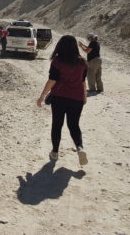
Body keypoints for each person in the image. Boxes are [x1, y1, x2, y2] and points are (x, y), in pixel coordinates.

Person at [37, 35, 88, 165]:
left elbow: (52, 80)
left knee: (57, 124)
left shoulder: (57, 61)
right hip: (76, 98)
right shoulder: (82, 62)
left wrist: (42, 96)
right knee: (74, 125)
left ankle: (54, 152)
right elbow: (83, 82)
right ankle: (80, 148)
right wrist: (84, 96)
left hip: (59, 98)